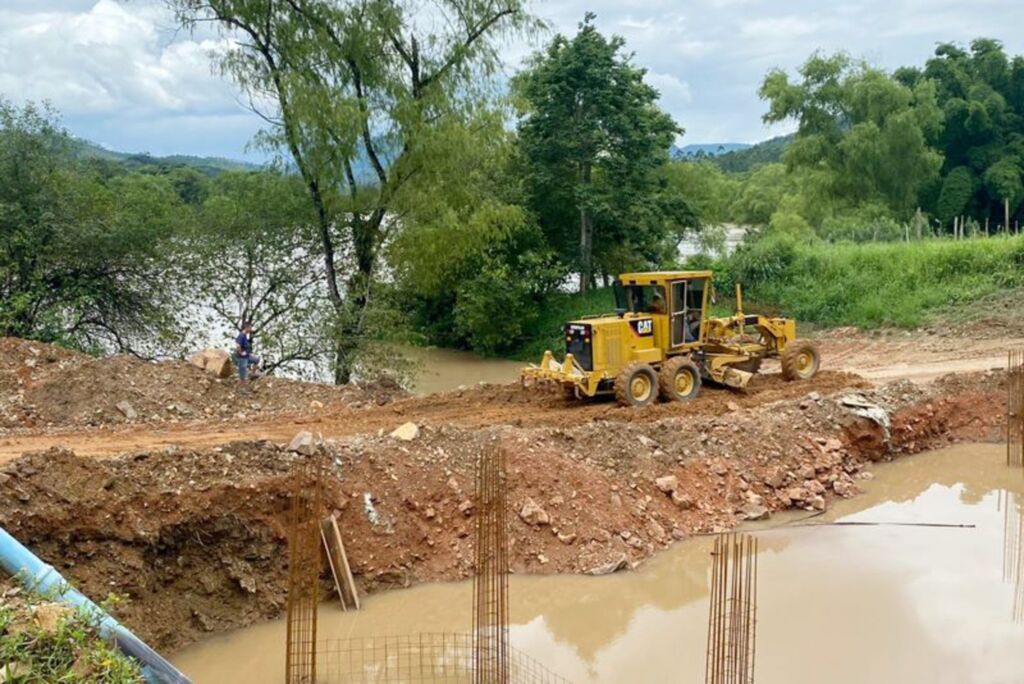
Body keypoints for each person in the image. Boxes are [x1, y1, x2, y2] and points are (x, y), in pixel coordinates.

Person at [235, 321, 260, 390]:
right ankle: (240, 389)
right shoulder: (241, 335)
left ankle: (253, 374)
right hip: (242, 358)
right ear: (247, 327)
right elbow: (237, 346)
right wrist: (241, 353)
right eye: (250, 327)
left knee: (257, 359)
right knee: (243, 376)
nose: (251, 329)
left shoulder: (245, 335)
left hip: (247, 356)